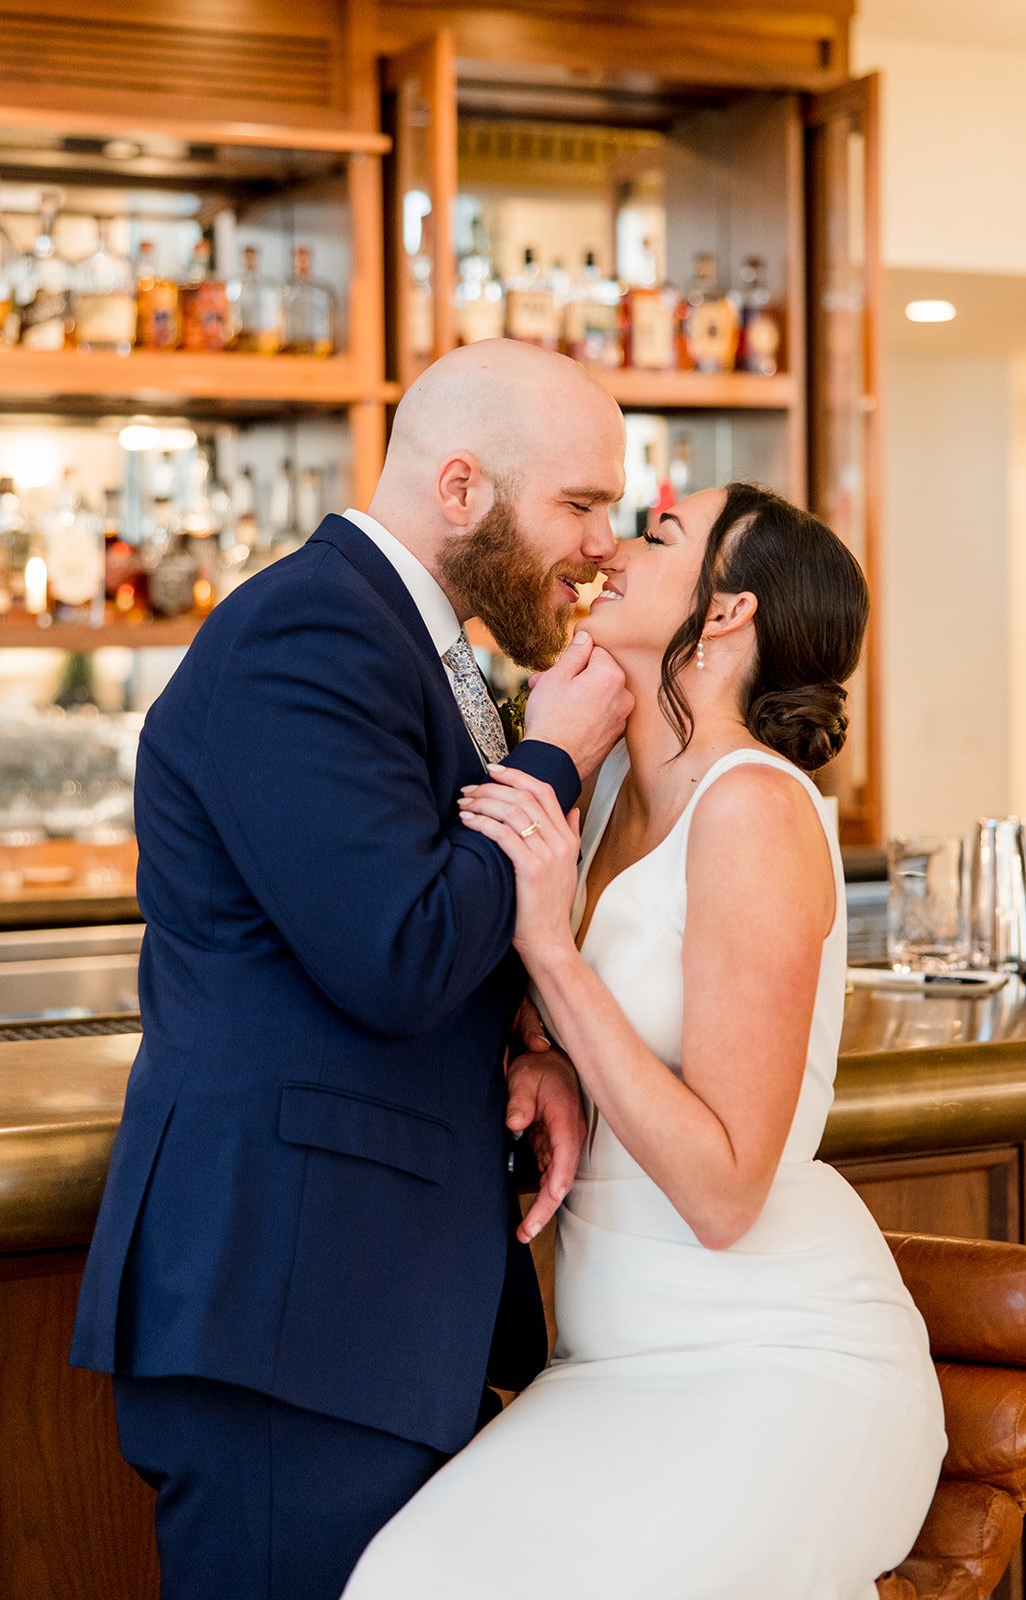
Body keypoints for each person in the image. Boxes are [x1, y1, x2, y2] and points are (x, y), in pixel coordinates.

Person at [69, 339, 634, 1600]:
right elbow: (398, 948)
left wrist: (521, 1050)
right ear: (459, 488)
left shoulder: (407, 639)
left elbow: (403, 923)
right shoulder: (308, 629)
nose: (603, 542)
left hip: (353, 1309)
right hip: (290, 1306)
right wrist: (555, 761)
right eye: (579, 503)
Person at [343, 483, 947, 1600]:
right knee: (400, 1580)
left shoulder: (753, 808)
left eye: (659, 535)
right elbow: (583, 1031)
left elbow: (722, 1193)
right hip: (604, 1364)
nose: (611, 546)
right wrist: (542, 1054)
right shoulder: (609, 777)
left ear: (725, 615)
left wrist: (552, 957)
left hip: (772, 1362)